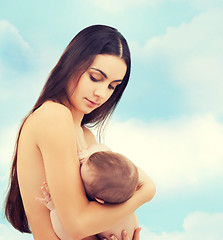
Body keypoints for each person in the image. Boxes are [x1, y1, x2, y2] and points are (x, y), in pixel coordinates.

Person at [4, 25, 156, 240]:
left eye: (112, 86)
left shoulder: (87, 136)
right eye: (95, 78)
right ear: (71, 65)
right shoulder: (53, 116)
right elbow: (77, 225)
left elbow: (91, 220)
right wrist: (146, 192)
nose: (101, 93)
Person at [37, 143, 140, 240]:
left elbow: (69, 235)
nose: (81, 164)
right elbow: (103, 148)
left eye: (81, 180)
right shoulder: (122, 187)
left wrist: (54, 209)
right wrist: (89, 153)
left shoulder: (100, 215)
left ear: (99, 200)